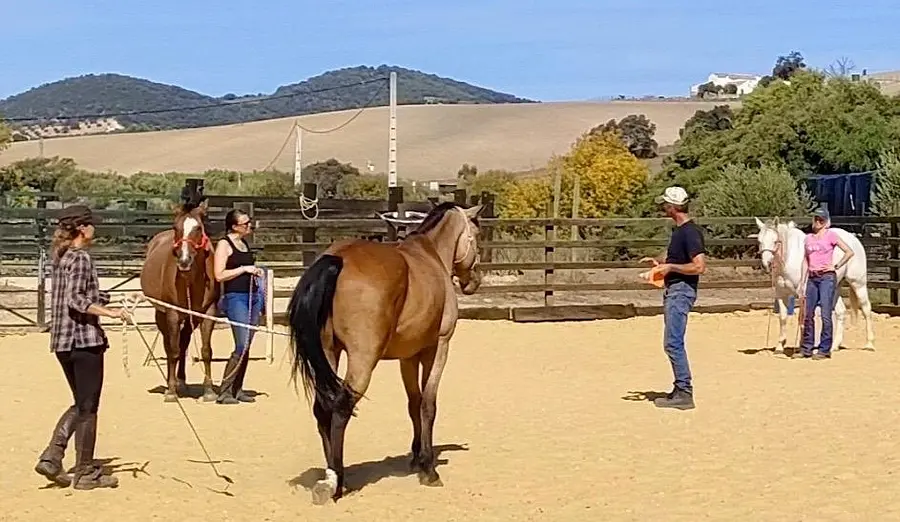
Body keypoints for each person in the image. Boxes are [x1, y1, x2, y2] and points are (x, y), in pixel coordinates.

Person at [35, 205, 130, 489]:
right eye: (91, 225)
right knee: (89, 406)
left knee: (82, 401)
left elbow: (77, 292)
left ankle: (53, 456)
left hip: (63, 342)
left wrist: (105, 297)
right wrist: (110, 313)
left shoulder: (62, 256)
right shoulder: (81, 258)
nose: (94, 229)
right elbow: (76, 300)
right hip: (84, 340)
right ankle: (85, 472)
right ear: (82, 228)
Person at [640, 186, 707, 410]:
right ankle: (679, 389)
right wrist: (661, 263)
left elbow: (699, 267)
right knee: (672, 341)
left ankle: (684, 391)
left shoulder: (690, 232)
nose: (663, 208)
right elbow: (678, 259)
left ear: (673, 206)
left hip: (681, 291)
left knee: (673, 342)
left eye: (666, 204)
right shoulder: (680, 231)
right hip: (675, 289)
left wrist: (670, 266)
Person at [213, 208, 264, 405]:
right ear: (234, 226)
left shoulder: (243, 244)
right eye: (245, 223)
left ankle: (238, 388)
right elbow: (219, 274)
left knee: (247, 346)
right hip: (236, 298)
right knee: (241, 345)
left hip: (253, 296)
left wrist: (255, 272)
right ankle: (224, 391)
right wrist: (244, 269)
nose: (249, 226)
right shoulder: (224, 245)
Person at [796, 207, 854, 360]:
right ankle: (806, 348)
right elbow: (805, 261)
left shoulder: (831, 236)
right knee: (808, 314)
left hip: (826, 277)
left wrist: (835, 266)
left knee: (826, 314)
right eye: (815, 219)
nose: (817, 222)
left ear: (826, 222)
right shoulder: (808, 238)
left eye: (820, 220)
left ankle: (824, 349)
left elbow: (849, 251)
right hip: (812, 278)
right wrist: (802, 281)